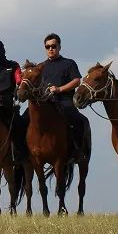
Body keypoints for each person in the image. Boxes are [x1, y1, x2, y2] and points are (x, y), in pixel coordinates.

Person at [40, 33, 90, 161]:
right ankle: (24, 153)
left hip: (64, 101)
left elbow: (77, 81)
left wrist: (59, 89)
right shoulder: (41, 67)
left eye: (53, 46)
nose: (50, 49)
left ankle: (78, 151)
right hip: (45, 102)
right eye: (47, 47)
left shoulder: (68, 63)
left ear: (59, 47)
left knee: (78, 121)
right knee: (25, 120)